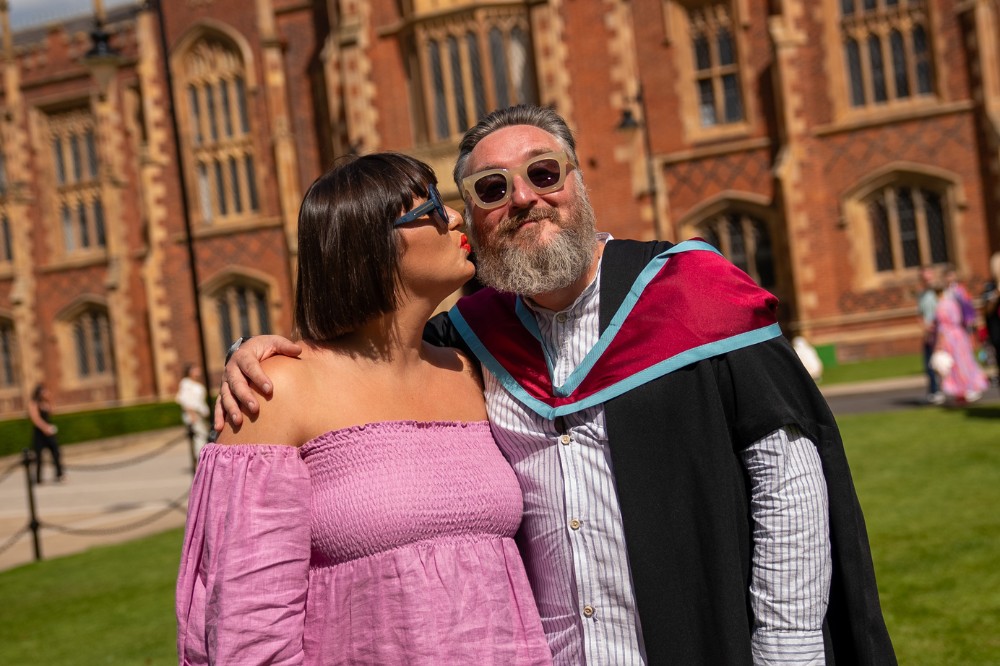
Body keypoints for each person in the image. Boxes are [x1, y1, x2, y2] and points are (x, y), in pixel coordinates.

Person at [218, 105, 896, 665]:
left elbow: (789, 478)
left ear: (579, 180)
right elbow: (370, 350)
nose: (524, 199)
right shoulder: (468, 344)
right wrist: (253, 352)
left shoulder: (695, 295)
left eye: (544, 173)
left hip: (708, 639)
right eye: (490, 189)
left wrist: (789, 646)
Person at [176, 153, 551, 664]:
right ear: (368, 244)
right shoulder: (280, 389)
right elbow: (248, 630)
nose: (457, 217)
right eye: (433, 209)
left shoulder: (475, 371)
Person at [935, 274, 988, 403]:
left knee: (958, 365)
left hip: (951, 338)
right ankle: (963, 391)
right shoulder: (954, 301)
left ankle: (967, 389)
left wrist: (939, 344)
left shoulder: (943, 304)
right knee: (964, 362)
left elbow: (943, 325)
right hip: (960, 335)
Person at [918, 266, 944, 404]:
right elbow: (920, 314)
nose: (925, 279)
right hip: (928, 332)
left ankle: (944, 389)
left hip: (939, 331)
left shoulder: (939, 292)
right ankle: (934, 390)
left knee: (942, 362)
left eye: (928, 275)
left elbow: (943, 311)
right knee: (929, 363)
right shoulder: (921, 294)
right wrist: (924, 327)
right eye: (923, 276)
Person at [28, 383, 63, 484]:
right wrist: (45, 428)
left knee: (56, 452)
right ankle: (39, 478)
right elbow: (35, 418)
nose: (46, 393)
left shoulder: (46, 403)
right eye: (44, 391)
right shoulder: (33, 403)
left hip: (49, 432)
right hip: (39, 433)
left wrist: (50, 399)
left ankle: (59, 474)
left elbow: (52, 411)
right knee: (38, 456)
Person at [174, 363, 209, 459]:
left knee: (202, 437)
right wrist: (192, 414)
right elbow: (185, 400)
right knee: (199, 438)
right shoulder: (186, 383)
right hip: (193, 414)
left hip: (200, 414)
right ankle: (200, 460)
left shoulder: (197, 384)